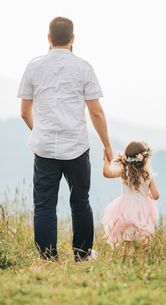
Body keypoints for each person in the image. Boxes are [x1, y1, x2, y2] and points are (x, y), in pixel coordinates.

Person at [17, 16, 113, 261]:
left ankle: (48, 259)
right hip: (77, 147)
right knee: (80, 200)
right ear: (72, 39)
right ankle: (82, 256)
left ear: (48, 38)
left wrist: (38, 131)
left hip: (45, 148)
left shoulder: (33, 67)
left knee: (44, 204)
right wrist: (107, 145)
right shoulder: (84, 68)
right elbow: (96, 111)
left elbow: (24, 111)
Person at [101, 141, 160, 248]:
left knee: (128, 239)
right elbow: (156, 195)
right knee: (144, 236)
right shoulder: (148, 175)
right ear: (144, 158)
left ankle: (128, 260)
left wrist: (106, 159)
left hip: (126, 209)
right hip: (143, 209)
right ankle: (146, 259)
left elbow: (107, 173)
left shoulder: (124, 172)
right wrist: (148, 195)